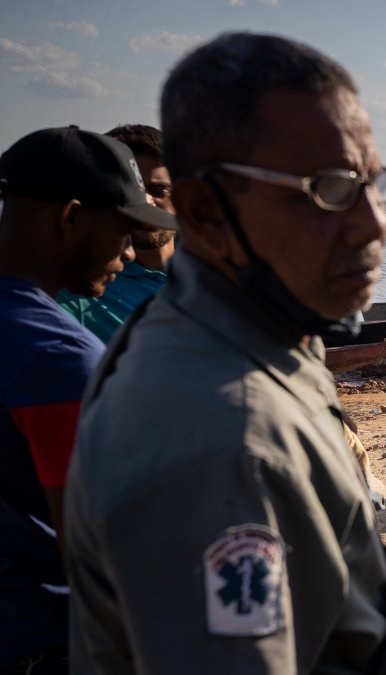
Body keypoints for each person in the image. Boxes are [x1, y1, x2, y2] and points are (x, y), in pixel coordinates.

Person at [63, 33, 386, 674]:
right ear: (205, 213)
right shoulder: (218, 437)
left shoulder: (260, 334)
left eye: (374, 181)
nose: (373, 221)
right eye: (328, 188)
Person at [0, 125, 176, 673]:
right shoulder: (58, 357)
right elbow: (99, 557)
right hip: (43, 642)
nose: (128, 251)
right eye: (123, 230)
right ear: (71, 217)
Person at [56, 124, 177, 342]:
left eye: (159, 191)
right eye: (131, 193)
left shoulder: (224, 271)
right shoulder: (83, 290)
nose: (147, 203)